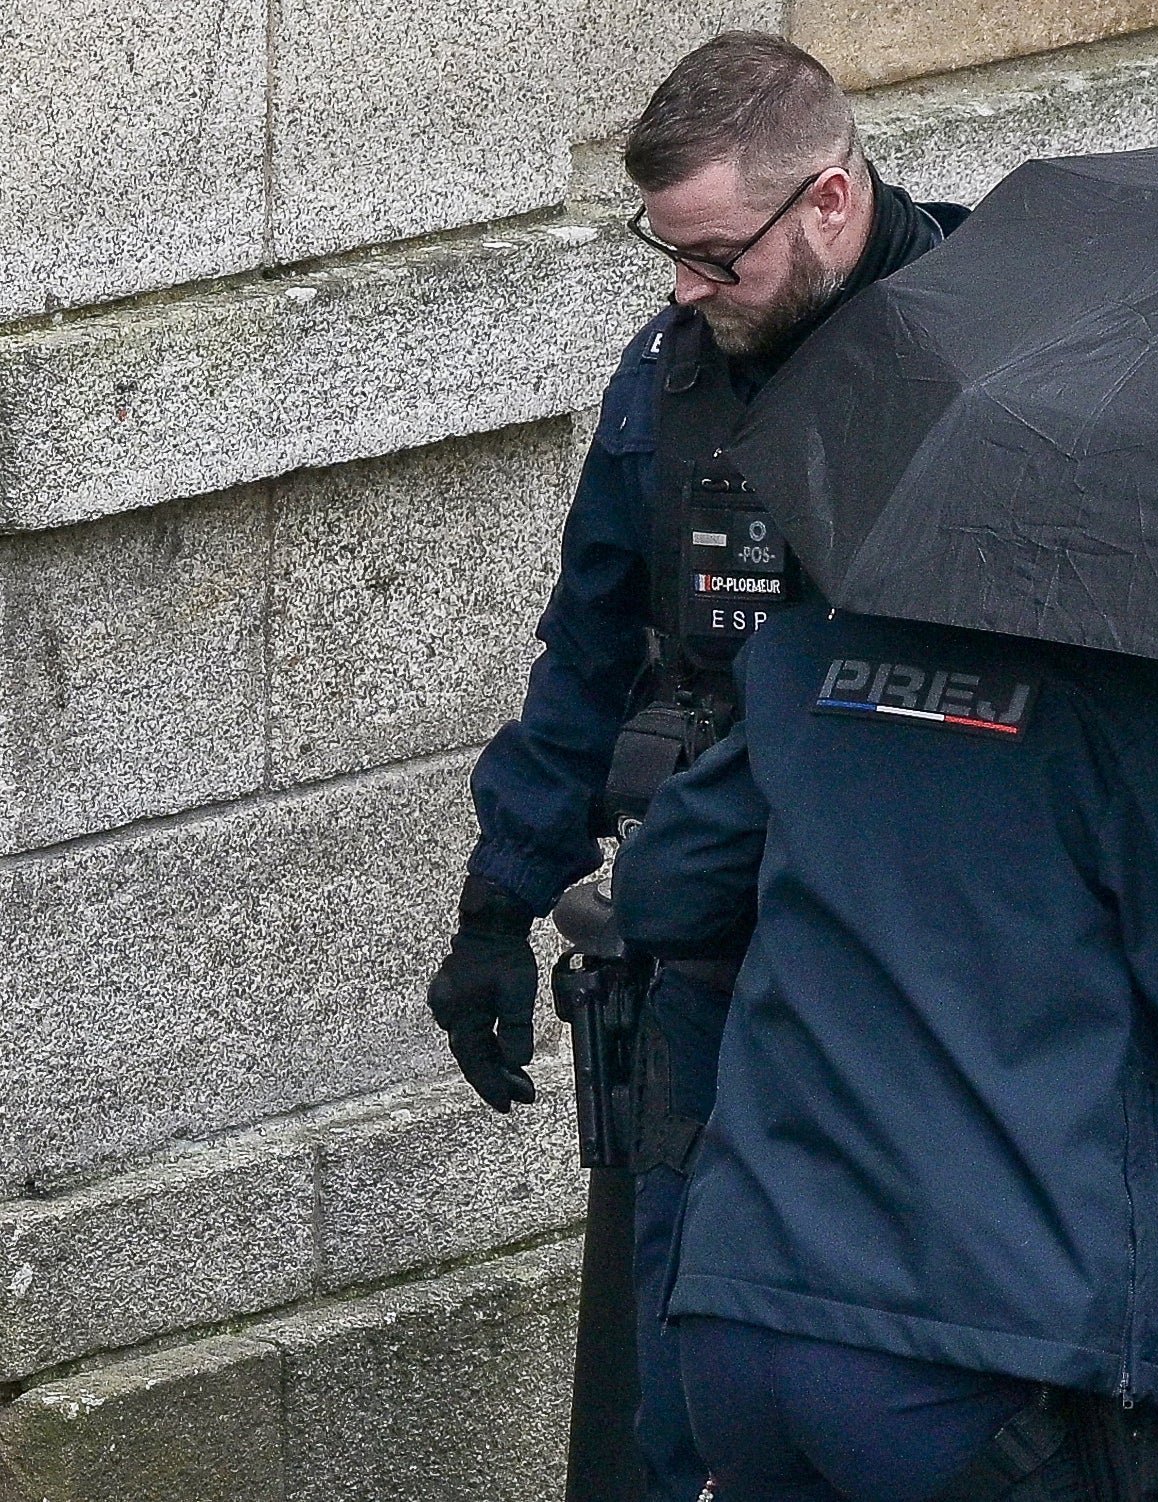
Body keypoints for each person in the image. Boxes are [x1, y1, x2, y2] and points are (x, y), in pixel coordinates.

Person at [420, 32, 969, 1500]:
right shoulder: (667, 383)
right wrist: (496, 903)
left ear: (833, 203)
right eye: (667, 253)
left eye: (718, 255)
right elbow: (591, 657)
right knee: (679, 1379)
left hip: (915, 969)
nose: (686, 288)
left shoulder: (985, 353)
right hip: (704, 952)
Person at [611, 605, 1158, 1502]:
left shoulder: (805, 658)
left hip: (749, 1318)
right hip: (983, 1361)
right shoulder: (1140, 707)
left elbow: (663, 892)